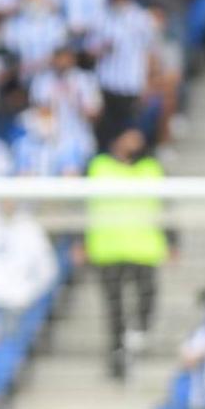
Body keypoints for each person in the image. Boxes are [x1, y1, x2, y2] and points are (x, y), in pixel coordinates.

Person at [85, 128, 168, 379]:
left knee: (148, 298)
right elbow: (83, 204)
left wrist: (173, 240)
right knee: (115, 309)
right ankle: (118, 355)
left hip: (143, 248)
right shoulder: (98, 166)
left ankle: (136, 337)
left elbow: (167, 203)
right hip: (107, 249)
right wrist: (81, 241)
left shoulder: (151, 168)